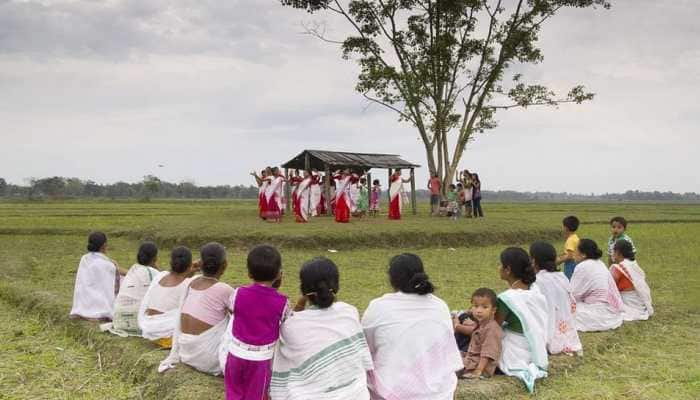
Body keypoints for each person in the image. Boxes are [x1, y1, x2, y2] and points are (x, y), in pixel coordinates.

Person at [361, 254, 463, 400]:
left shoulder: (378, 307)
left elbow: (365, 348)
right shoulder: (440, 306)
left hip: (389, 393)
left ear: (392, 279)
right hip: (438, 393)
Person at [271, 258, 373, 399]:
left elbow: (291, 323)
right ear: (336, 286)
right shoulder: (350, 312)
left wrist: (301, 302)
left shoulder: (291, 326)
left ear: (304, 290)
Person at [222, 245, 290, 400]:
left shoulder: (238, 293)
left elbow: (233, 310)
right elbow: (286, 321)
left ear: (249, 273)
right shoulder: (283, 302)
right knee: (256, 395)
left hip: (235, 354)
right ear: (279, 274)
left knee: (233, 391)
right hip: (261, 360)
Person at [159, 242, 234, 375]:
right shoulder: (225, 290)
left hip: (187, 353)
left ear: (200, 263)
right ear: (225, 265)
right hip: (209, 359)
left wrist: (192, 269)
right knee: (234, 319)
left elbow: (183, 276)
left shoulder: (191, 282)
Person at [495, 247, 548, 393]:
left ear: (508, 269)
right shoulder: (534, 290)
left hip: (516, 350)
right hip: (535, 346)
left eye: (500, 264)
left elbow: (494, 327)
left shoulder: (508, 298)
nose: (498, 268)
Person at [530, 241, 583, 355]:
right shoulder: (561, 276)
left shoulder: (537, 281)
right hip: (566, 330)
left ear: (533, 261)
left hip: (549, 333)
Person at [139, 246, 196, 348]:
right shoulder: (190, 283)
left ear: (171, 262)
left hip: (149, 329)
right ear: (189, 265)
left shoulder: (160, 276)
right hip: (166, 333)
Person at [70, 232, 127, 321]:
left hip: (82, 305)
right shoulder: (107, 265)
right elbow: (119, 274)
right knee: (124, 280)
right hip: (100, 306)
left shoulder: (84, 258)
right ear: (104, 245)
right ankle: (99, 311)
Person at [570, 239, 624, 332]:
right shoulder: (600, 263)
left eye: (575, 250)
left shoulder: (582, 266)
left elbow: (573, 295)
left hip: (597, 313)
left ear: (583, 254)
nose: (574, 253)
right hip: (612, 313)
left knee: (564, 312)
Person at [107, 242, 160, 336]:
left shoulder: (133, 270)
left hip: (119, 322)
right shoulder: (154, 273)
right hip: (139, 324)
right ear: (155, 258)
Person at [454, 288, 502, 379]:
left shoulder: (492, 329)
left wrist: (478, 371)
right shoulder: (482, 324)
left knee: (447, 369)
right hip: (470, 359)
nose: (479, 310)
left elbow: (487, 352)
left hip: (477, 366)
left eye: (484, 307)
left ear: (493, 310)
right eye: (476, 306)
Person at [610, 240, 654, 321]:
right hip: (640, 305)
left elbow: (610, 287)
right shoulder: (633, 264)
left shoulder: (618, 268)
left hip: (629, 304)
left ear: (618, 252)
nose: (612, 254)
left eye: (613, 251)